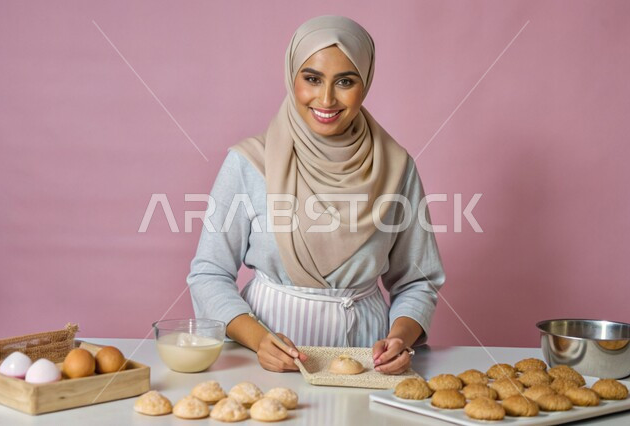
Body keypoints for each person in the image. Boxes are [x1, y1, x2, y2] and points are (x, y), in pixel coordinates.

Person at [187, 15, 445, 375]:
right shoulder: (249, 163)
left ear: (365, 83)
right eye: (311, 78)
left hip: (364, 361)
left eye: (345, 81)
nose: (326, 98)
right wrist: (258, 340)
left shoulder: (397, 168)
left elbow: (418, 280)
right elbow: (209, 273)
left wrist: (400, 338)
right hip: (262, 362)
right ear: (292, 77)